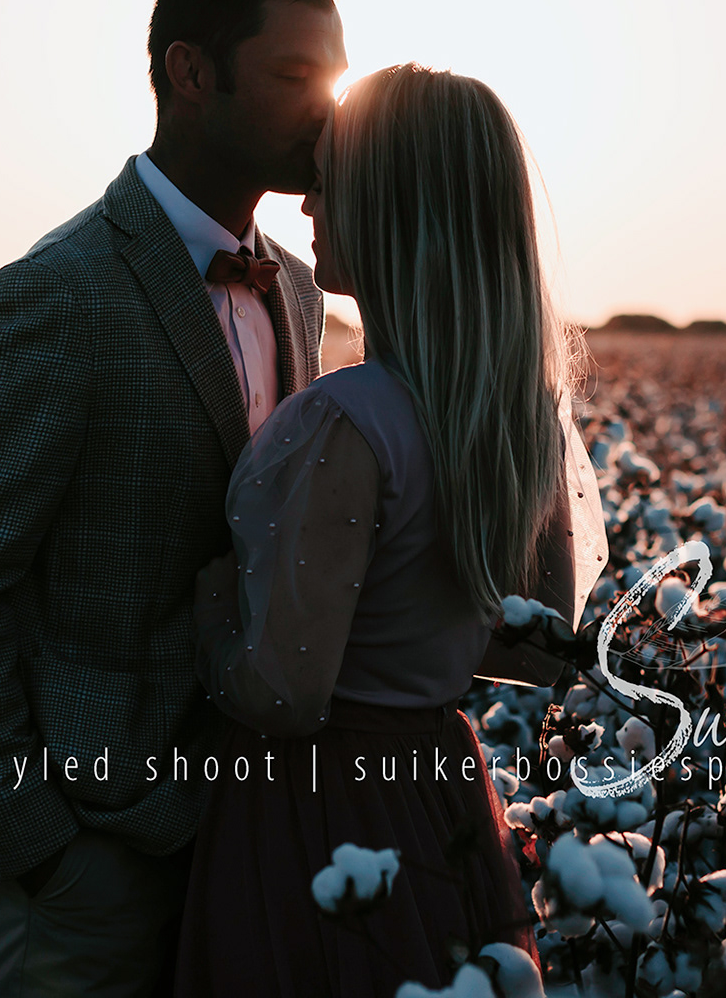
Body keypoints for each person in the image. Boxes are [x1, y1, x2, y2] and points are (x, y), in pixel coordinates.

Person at [0, 0, 346, 997]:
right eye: (289, 74)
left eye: (331, 76)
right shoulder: (56, 293)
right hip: (82, 868)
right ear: (192, 72)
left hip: (247, 838)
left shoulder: (299, 287)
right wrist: (37, 840)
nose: (323, 107)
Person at [173, 64, 609, 995]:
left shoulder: (346, 422)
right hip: (440, 793)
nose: (306, 209)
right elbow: (539, 647)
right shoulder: (516, 418)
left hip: (318, 814)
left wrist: (210, 610)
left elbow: (284, 693)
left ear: (390, 205)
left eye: (328, 181)